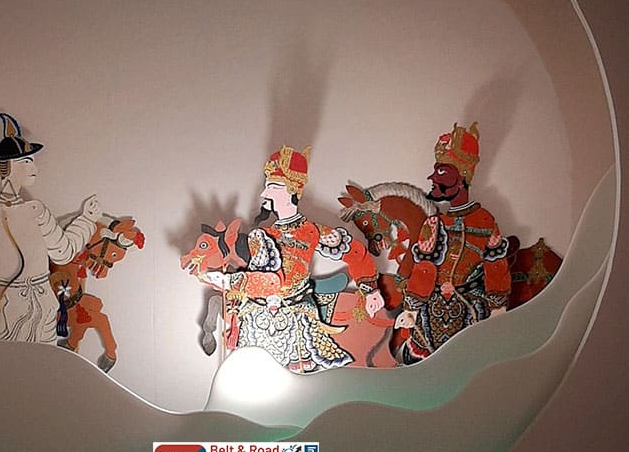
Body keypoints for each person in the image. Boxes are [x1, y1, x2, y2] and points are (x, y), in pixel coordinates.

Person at [202, 145, 379, 373]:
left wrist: (371, 290)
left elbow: (354, 252)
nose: (264, 194)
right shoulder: (263, 235)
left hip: (296, 312)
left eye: (272, 187)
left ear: (292, 190)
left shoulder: (312, 231)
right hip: (258, 311)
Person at [0, 113, 99, 343]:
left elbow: (63, 252)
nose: (34, 167)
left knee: (37, 362)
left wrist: (86, 220)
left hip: (36, 305)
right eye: (27, 161)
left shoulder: (32, 209)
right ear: (8, 165)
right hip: (8, 305)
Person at [395, 122, 511, 363]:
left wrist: (498, 305)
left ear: (462, 177)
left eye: (442, 172)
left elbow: (496, 265)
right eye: (435, 171)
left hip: (472, 307)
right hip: (432, 309)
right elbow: (424, 270)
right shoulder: (434, 223)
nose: (432, 178)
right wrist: (412, 308)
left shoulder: (485, 221)